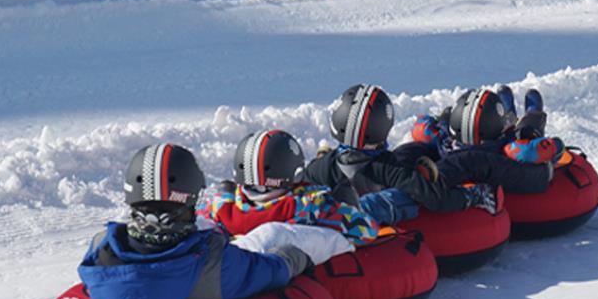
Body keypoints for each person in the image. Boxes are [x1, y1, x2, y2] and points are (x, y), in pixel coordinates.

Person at [78, 143, 310, 299]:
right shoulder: (213, 262)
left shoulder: (101, 248)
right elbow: (265, 272)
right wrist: (291, 256)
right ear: (190, 198)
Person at [302, 84, 492, 226]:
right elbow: (436, 198)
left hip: (327, 221)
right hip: (369, 228)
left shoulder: (321, 166)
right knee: (407, 196)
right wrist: (473, 195)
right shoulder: (390, 168)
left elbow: (295, 190)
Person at [198, 129, 381, 247]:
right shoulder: (310, 208)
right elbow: (367, 230)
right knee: (345, 192)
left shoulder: (219, 209)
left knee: (225, 188)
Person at [404, 85, 568, 178]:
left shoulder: (444, 142)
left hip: (471, 140)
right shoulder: (508, 150)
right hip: (505, 142)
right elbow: (544, 149)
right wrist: (552, 144)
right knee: (528, 129)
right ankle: (532, 112)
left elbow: (420, 127)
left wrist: (443, 119)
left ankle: (508, 111)